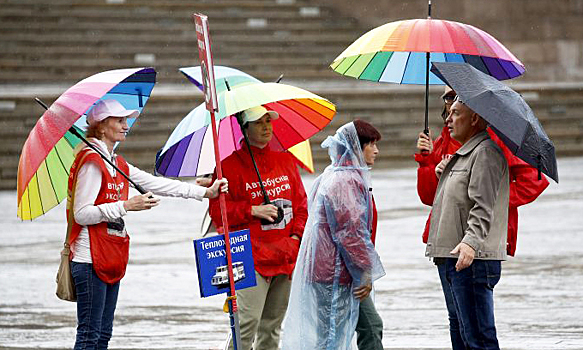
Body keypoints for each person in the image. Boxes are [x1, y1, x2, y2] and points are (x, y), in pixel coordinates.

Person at [68, 99, 228, 350]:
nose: (125, 125)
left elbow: (156, 183)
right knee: (90, 334)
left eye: (126, 120)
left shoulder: (115, 162)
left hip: (110, 254)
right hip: (89, 259)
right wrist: (126, 206)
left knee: (103, 335)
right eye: (119, 120)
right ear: (100, 127)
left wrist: (204, 193)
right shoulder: (91, 162)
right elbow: (81, 214)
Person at [415, 87, 549, 349]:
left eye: (456, 100)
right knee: (460, 324)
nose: (449, 108)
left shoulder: (489, 148)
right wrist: (427, 163)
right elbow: (431, 197)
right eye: (448, 99)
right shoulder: (447, 140)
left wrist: (498, 203)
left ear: (475, 113)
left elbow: (517, 188)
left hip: (471, 250)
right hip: (448, 247)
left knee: (477, 333)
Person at [208, 106, 308, 350]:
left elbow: (302, 206)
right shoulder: (227, 167)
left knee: (271, 328)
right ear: (245, 128)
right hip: (248, 258)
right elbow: (217, 213)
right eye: (258, 122)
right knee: (246, 324)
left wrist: (295, 238)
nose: (266, 127)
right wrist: (252, 210)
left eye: (268, 121)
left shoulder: (285, 160)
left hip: (284, 257)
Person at [281, 120, 385, 350]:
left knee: (367, 326)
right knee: (331, 337)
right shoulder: (344, 181)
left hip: (344, 271)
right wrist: (365, 271)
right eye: (371, 144)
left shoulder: (343, 175)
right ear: (356, 147)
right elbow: (351, 233)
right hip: (334, 273)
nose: (376, 151)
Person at [426, 97, 508, 349]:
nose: (448, 120)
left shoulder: (484, 153)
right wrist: (444, 171)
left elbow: (483, 208)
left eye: (455, 113)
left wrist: (470, 244)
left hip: (471, 260)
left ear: (475, 119)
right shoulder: (464, 155)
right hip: (454, 256)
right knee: (464, 337)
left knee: (479, 340)